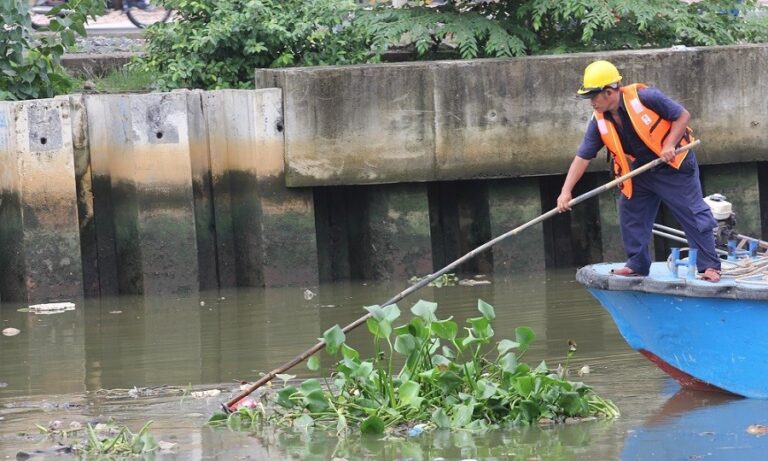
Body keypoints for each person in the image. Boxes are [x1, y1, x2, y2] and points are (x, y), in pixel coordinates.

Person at [556, 60, 722, 282]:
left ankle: (709, 266)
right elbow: (583, 156)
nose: (591, 102)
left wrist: (669, 145)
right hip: (640, 170)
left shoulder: (646, 98)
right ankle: (637, 264)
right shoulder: (599, 122)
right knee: (631, 213)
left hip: (674, 165)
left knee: (692, 212)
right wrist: (566, 192)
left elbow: (682, 115)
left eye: (593, 96)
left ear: (608, 92)